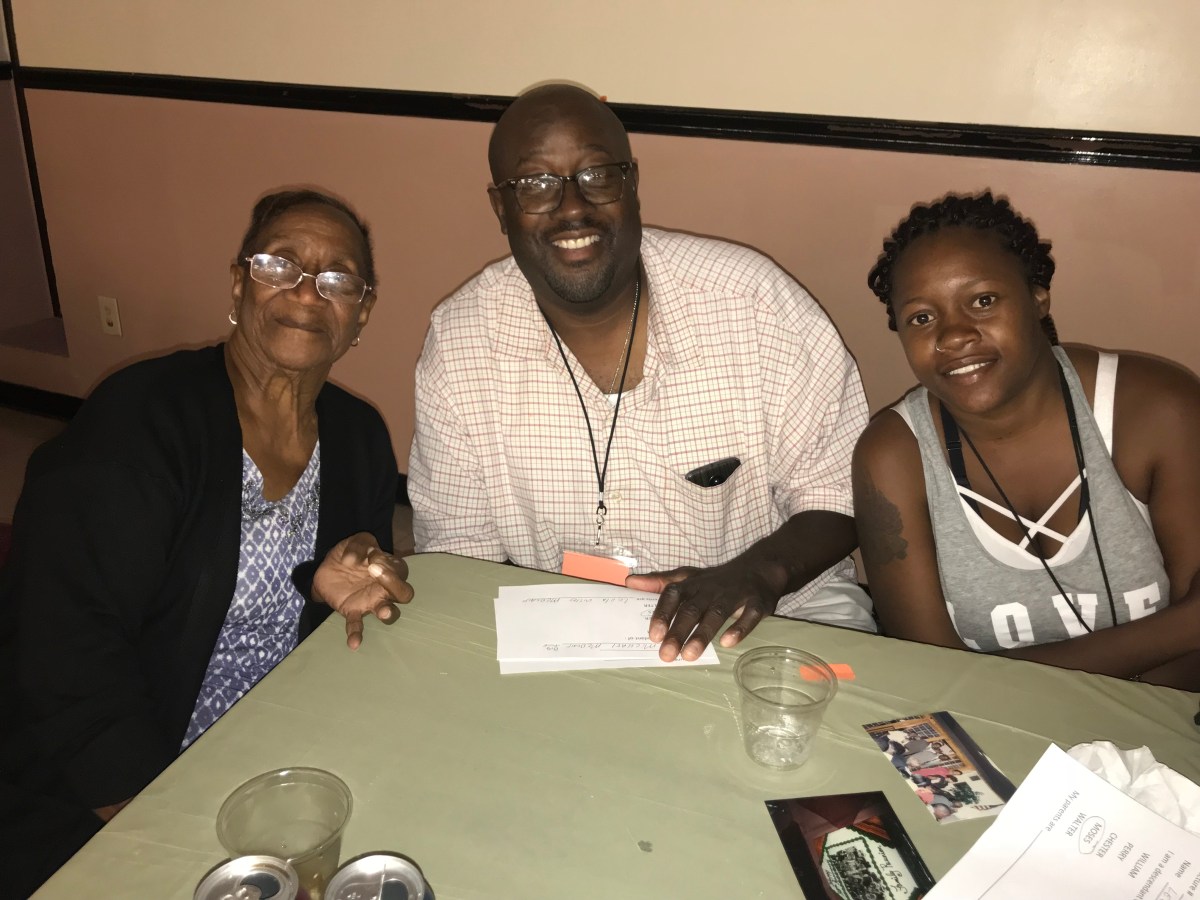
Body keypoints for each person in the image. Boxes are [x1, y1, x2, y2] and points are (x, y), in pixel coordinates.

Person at [0, 188, 413, 896]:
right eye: (279, 264)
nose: (306, 292)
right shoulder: (139, 422)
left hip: (274, 749)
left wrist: (355, 580)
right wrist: (163, 829)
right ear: (239, 283)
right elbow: (62, 646)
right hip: (104, 783)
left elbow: (343, 602)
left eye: (337, 278)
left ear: (362, 311)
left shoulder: (359, 436)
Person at [409, 83, 873, 662]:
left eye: (597, 174)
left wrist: (757, 572)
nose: (572, 206)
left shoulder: (753, 303)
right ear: (500, 208)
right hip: (563, 633)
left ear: (631, 184)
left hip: (774, 612)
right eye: (535, 184)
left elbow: (843, 494)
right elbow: (457, 551)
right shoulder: (461, 342)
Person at [853, 191, 1200, 689]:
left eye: (983, 301)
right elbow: (936, 673)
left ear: (1038, 297)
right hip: (988, 727)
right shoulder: (892, 455)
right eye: (922, 317)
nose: (953, 336)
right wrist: (1180, 627)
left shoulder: (1157, 409)